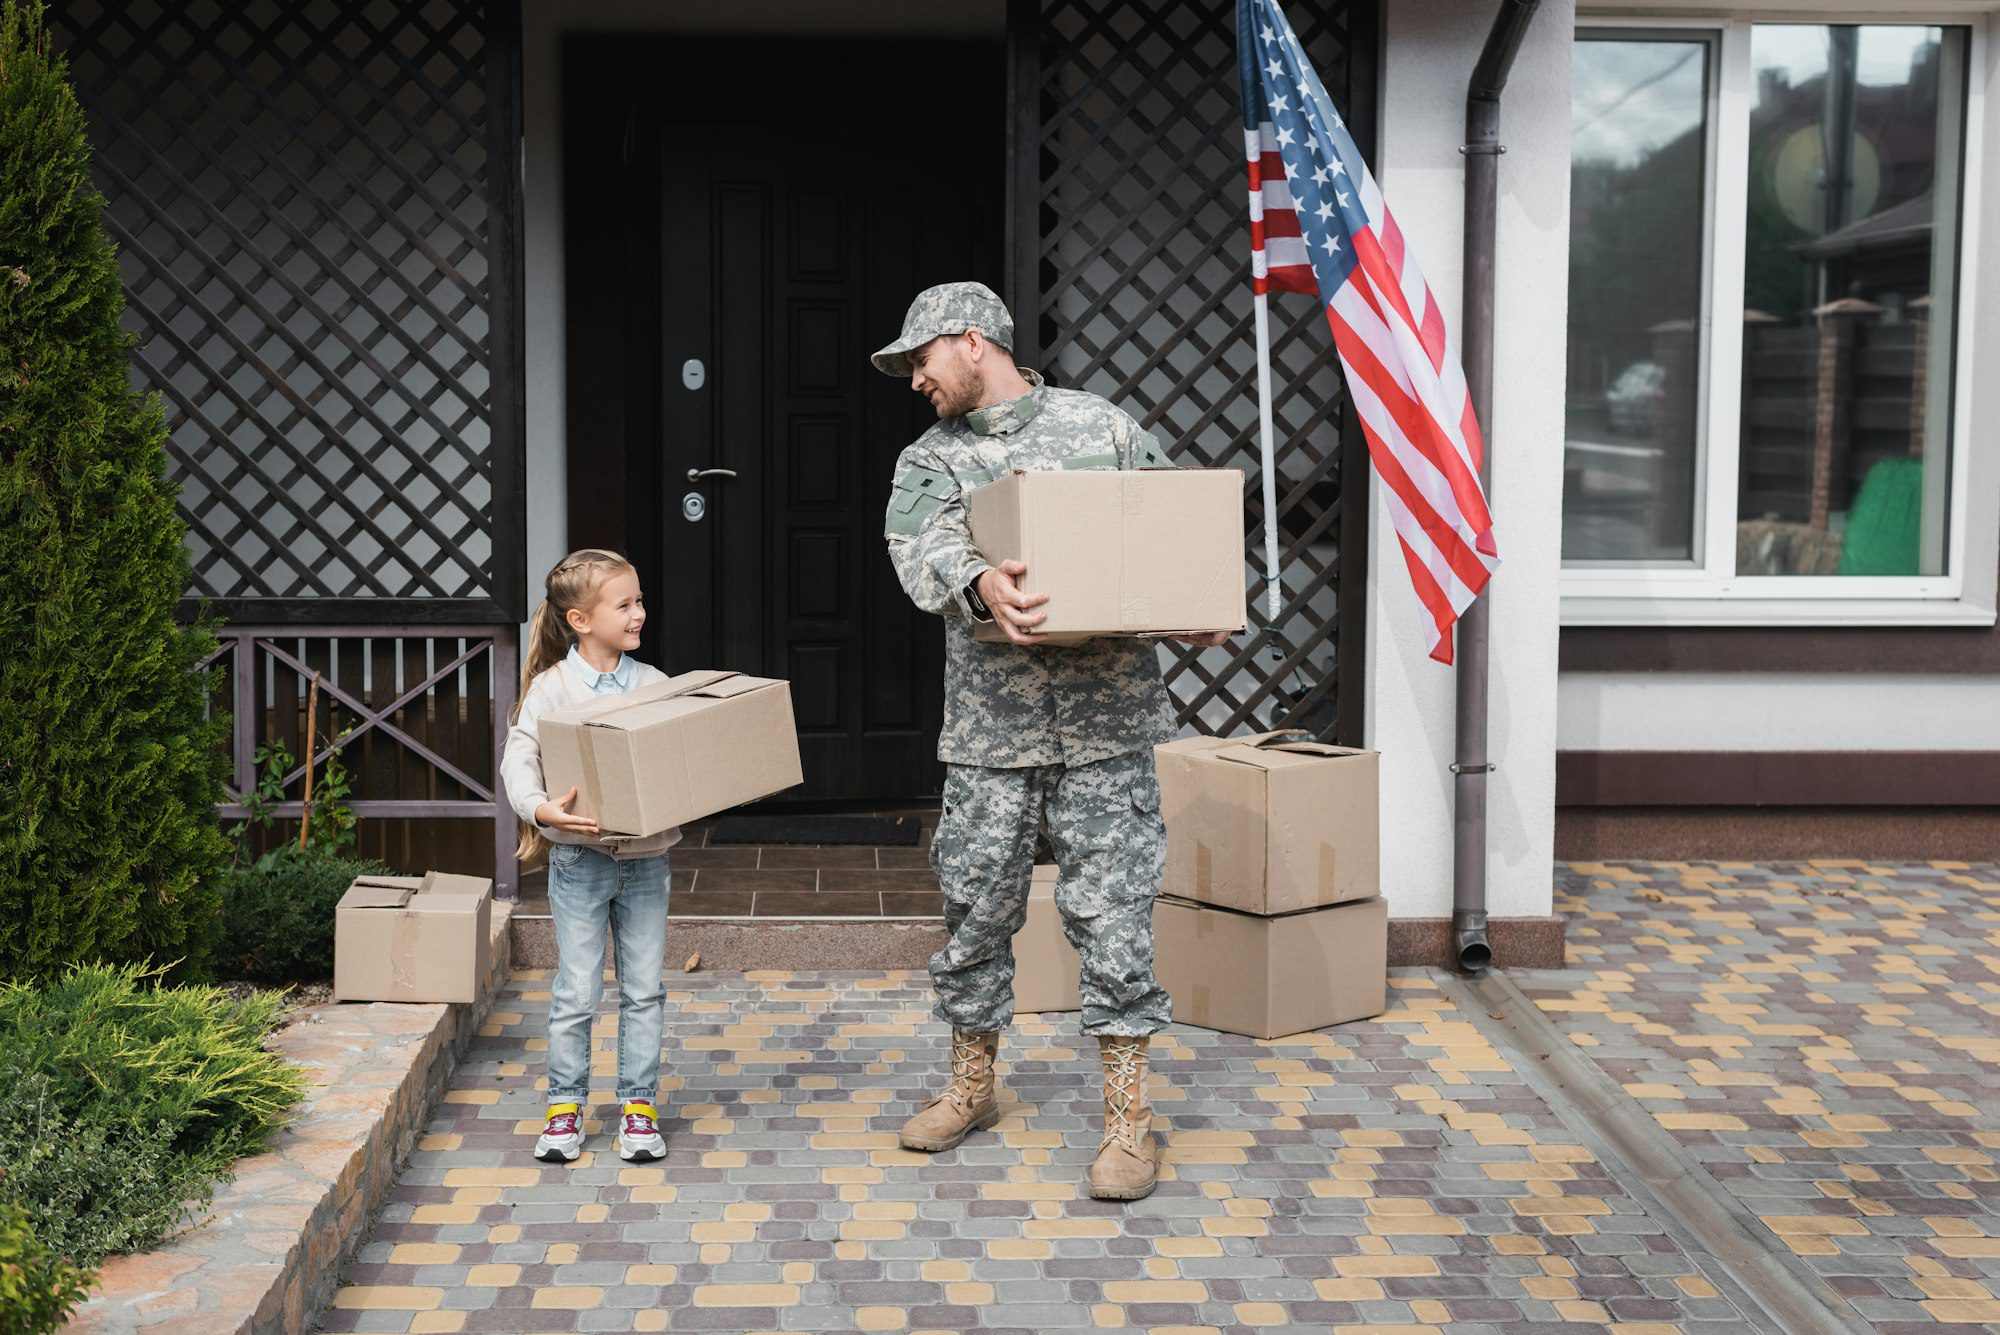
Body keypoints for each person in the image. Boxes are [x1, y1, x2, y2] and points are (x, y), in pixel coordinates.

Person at [875, 281, 1231, 1201]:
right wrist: (982, 581)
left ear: (970, 341)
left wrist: (1195, 604)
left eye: (922, 359)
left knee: (1113, 922)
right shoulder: (931, 459)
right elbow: (920, 553)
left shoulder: (1102, 427)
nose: (916, 379)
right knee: (976, 914)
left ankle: (1127, 1123)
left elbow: (1167, 531)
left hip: (1107, 728)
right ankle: (972, 1088)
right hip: (992, 735)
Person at [500, 549, 677, 1165]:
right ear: (579, 620)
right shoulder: (552, 690)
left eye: (639, 601)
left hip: (647, 860)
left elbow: (678, 760)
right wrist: (540, 808)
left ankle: (638, 1108)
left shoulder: (654, 685)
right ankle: (564, 1109)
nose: (638, 614)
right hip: (578, 863)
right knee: (577, 990)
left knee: (645, 990)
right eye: (624, 605)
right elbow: (519, 758)